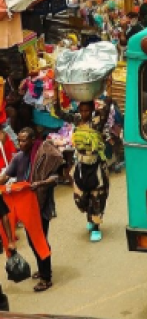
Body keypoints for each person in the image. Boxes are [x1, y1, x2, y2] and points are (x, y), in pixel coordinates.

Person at [0, 127, 64, 292]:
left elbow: (55, 177)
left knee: (39, 239)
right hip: (27, 205)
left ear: (32, 140)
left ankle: (46, 277)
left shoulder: (44, 155)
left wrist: (40, 184)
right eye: (19, 140)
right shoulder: (19, 158)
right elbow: (6, 176)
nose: (20, 143)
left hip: (42, 204)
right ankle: (43, 269)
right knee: (31, 240)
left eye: (24, 140)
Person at [70, 100, 110, 242]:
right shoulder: (76, 121)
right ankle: (90, 216)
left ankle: (96, 227)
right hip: (81, 165)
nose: (84, 113)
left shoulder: (97, 123)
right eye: (82, 110)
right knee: (80, 198)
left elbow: (107, 107)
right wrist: (56, 91)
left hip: (96, 165)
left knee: (97, 197)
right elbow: (58, 112)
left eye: (87, 110)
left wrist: (109, 90)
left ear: (92, 110)